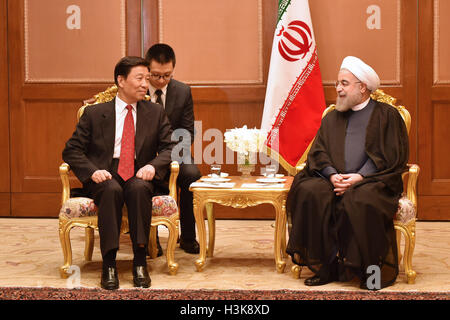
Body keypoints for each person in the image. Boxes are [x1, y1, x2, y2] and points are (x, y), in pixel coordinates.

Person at [286, 56, 409, 290]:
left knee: (360, 200)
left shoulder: (386, 115)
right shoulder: (332, 116)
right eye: (337, 84)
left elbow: (391, 156)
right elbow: (318, 152)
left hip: (372, 181)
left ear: (362, 88)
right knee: (310, 191)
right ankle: (326, 267)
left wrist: (359, 177)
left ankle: (369, 272)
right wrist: (332, 175)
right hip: (335, 180)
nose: (338, 89)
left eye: (344, 83)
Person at [62, 56, 175, 290]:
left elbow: (170, 148)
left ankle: (140, 261)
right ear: (121, 80)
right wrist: (92, 172)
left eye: (148, 78)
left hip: (140, 171)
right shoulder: (94, 113)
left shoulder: (155, 112)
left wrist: (153, 166)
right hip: (105, 172)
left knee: (139, 189)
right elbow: (71, 150)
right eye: (140, 78)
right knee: (111, 189)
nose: (146, 84)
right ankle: (110, 263)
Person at [145, 43, 201, 254]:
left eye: (166, 76)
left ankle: (187, 237)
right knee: (146, 177)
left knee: (191, 175)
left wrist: (169, 157)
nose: (161, 81)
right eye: (156, 75)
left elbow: (187, 132)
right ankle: (153, 239)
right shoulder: (139, 90)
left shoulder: (182, 91)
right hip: (145, 153)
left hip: (177, 151)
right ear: (147, 70)